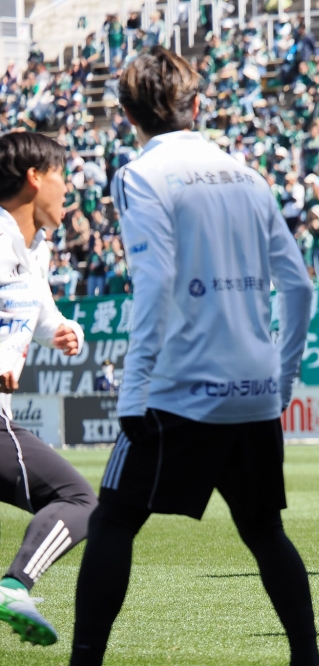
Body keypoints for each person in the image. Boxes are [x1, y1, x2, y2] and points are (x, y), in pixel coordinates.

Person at [69, 48, 319, 666]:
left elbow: (154, 281)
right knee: (264, 531)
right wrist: (282, 380)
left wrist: (133, 390)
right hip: (254, 392)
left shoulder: (138, 175)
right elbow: (299, 287)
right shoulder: (249, 176)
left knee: (113, 521)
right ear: (198, 105)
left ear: (128, 114)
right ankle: (307, 659)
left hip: (180, 390)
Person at [0, 131, 96, 646]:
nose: (68, 191)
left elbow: (39, 316)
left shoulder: (33, 247)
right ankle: (14, 586)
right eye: (62, 176)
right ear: (35, 178)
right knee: (78, 500)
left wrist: (63, 330)